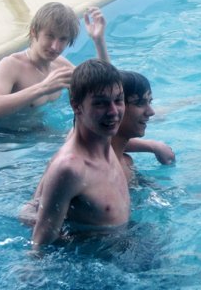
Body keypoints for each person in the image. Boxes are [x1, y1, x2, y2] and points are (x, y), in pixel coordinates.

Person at [31, 59, 130, 250]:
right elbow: (40, 245)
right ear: (76, 107)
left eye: (118, 100)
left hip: (122, 244)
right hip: (95, 259)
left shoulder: (103, 138)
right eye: (100, 104)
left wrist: (153, 146)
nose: (113, 112)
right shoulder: (71, 169)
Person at [0, 2, 108, 124]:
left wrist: (99, 41)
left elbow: (102, 87)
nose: (55, 47)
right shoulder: (11, 65)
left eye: (63, 39)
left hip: (43, 132)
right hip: (7, 137)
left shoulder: (60, 65)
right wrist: (43, 88)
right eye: (50, 36)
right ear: (34, 32)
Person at [112, 70, 175, 182]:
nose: (151, 112)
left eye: (150, 102)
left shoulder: (126, 162)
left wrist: (153, 146)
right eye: (139, 103)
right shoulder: (97, 173)